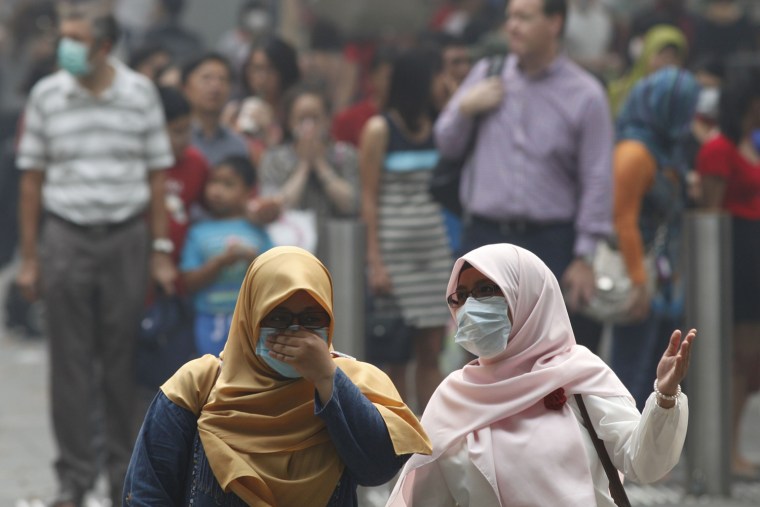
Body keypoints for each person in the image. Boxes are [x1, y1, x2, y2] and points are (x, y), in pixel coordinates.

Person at [386, 243, 695, 506]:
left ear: (527, 293)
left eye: (485, 291)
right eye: (461, 296)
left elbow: (643, 463)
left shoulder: (578, 376)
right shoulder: (453, 399)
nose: (470, 307)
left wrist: (665, 398)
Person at [123, 246, 432, 506]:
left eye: (311, 320)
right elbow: (148, 492)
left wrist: (326, 379)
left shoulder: (355, 381)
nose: (295, 334)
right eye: (279, 319)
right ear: (251, 317)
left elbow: (376, 469)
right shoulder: (198, 385)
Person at [15, 9, 175, 507]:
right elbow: (31, 180)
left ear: (104, 47)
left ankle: (124, 477)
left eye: (75, 39)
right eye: (63, 38)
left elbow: (156, 178)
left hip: (126, 236)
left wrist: (160, 250)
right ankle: (74, 478)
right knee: (69, 363)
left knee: (120, 362)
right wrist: (29, 259)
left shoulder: (139, 95)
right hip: (65, 235)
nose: (65, 48)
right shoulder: (48, 95)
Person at [434, 0, 612, 353]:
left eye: (524, 17)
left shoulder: (586, 94)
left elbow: (597, 178)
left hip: (552, 244)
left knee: (550, 358)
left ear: (554, 22)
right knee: (480, 357)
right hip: (485, 238)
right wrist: (466, 109)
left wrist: (585, 256)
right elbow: (446, 143)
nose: (512, 26)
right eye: (510, 17)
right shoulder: (487, 73)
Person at [360, 48, 453, 412]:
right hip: (394, 255)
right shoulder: (380, 128)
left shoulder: (440, 127)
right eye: (436, 76)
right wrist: (375, 262)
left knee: (431, 350)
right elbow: (368, 199)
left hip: (432, 250)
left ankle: (435, 438)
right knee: (394, 355)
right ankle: (396, 438)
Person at [609, 67, 700, 409]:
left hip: (664, 282)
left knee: (659, 378)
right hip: (642, 282)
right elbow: (624, 220)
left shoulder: (663, 148)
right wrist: (638, 283)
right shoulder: (635, 152)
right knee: (630, 377)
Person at [697, 70, 760, 478]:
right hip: (736, 255)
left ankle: (732, 443)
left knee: (750, 358)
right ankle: (728, 448)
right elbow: (710, 215)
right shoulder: (719, 148)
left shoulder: (749, 145)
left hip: (753, 256)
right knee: (740, 358)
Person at [181, 156, 274, 356]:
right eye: (213, 182)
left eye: (228, 184)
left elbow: (273, 276)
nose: (217, 190)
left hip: (250, 321)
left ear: (248, 192)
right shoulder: (198, 232)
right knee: (212, 374)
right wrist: (219, 263)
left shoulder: (258, 231)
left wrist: (252, 260)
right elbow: (189, 281)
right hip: (208, 318)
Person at [259, 84, 360, 257]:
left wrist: (320, 164)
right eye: (301, 119)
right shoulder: (274, 158)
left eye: (315, 118)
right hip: (291, 251)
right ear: (290, 122)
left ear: (328, 120)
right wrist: (304, 166)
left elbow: (353, 204)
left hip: (340, 249)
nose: (309, 126)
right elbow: (277, 207)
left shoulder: (345, 155)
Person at [182, 52, 250, 167]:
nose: (215, 86)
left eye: (222, 79)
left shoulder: (238, 145)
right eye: (206, 78)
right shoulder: (176, 139)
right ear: (185, 87)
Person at [608, 24, 688, 116]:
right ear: (646, 55)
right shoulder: (618, 93)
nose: (667, 64)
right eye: (662, 56)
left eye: (673, 58)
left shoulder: (684, 98)